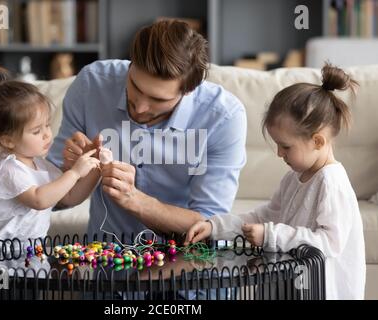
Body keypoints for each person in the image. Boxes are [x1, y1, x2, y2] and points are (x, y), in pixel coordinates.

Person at [47, 20, 247, 238]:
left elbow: (211, 223)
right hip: (105, 258)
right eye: (135, 86)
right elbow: (50, 199)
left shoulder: (223, 117)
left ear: (189, 91)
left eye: (157, 99)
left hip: (182, 261)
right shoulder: (91, 85)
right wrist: (72, 172)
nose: (140, 107)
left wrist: (134, 199)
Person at [185, 63, 366, 300]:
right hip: (290, 281)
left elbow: (329, 243)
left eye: (286, 146)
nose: (279, 153)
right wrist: (215, 227)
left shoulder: (331, 182)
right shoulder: (293, 177)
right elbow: (265, 217)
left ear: (318, 142)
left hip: (320, 289)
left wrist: (272, 237)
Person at [0, 65, 100, 243]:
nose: (47, 134)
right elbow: (39, 200)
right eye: (37, 131)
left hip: (27, 255)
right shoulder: (8, 169)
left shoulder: (40, 165)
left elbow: (69, 197)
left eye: (47, 124)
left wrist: (95, 166)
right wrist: (75, 172)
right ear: (8, 141)